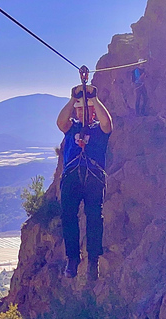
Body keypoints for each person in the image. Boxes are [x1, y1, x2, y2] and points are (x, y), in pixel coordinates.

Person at [56, 78, 113, 280]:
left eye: (86, 110)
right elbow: (60, 122)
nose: (83, 114)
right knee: (68, 216)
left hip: (93, 176)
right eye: (80, 111)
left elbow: (107, 122)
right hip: (73, 175)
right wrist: (73, 99)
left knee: (94, 217)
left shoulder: (100, 130)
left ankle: (93, 261)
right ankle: (73, 258)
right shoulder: (71, 128)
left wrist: (94, 99)